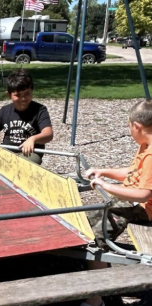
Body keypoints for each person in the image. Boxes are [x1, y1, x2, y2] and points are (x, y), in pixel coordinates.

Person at [80, 99, 152, 306]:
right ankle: (94, 272)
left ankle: (95, 298)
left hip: (141, 208)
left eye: (129, 126)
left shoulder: (151, 154)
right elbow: (132, 173)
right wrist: (104, 172)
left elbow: (143, 195)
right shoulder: (145, 146)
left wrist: (107, 186)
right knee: (85, 222)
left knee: (96, 238)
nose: (129, 130)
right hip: (130, 201)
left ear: (136, 126)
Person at [0, 69, 53, 164]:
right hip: (7, 151)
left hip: (30, 154)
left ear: (32, 91)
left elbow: (48, 134)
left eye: (27, 93)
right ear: (9, 95)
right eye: (18, 95)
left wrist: (32, 139)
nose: (23, 98)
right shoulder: (4, 111)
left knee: (22, 163)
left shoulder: (40, 110)